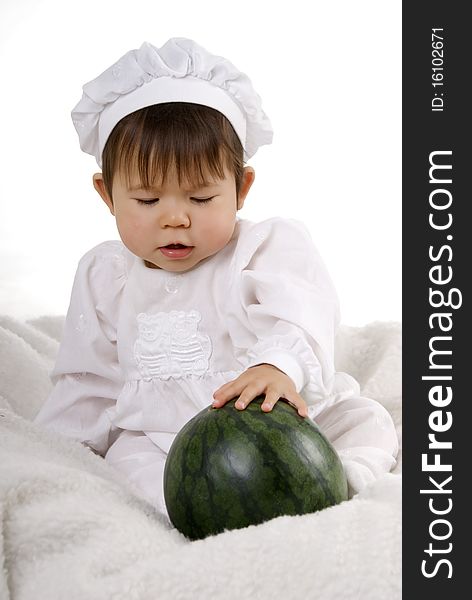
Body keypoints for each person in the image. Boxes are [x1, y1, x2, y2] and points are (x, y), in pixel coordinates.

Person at [34, 37, 398, 520]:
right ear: (107, 194)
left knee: (365, 420)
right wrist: (58, 447)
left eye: (201, 199)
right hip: (162, 441)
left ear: (241, 188)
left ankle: (331, 483)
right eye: (147, 201)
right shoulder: (105, 275)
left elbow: (302, 312)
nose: (175, 218)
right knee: (128, 467)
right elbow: (89, 380)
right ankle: (186, 515)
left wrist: (277, 365)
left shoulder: (261, 250)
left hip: (278, 418)